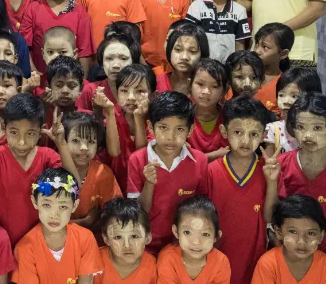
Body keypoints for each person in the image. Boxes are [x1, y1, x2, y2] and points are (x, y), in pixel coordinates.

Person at [268, 93, 326, 260]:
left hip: (325, 254)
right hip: (283, 252)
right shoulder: (280, 166)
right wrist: (280, 249)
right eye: (301, 127)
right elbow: (272, 214)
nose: (308, 135)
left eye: (317, 128)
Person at [0, 93, 76, 247]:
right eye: (14, 133)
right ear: (4, 128)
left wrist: (62, 143)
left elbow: (74, 188)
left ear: (41, 131)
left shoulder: (48, 157)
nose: (22, 142)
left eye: (30, 134)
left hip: (39, 242)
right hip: (1, 240)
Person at [208, 97, 278, 284]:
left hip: (251, 263)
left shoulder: (266, 171)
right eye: (238, 132)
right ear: (224, 131)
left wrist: (272, 182)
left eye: (254, 134)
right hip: (217, 263)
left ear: (262, 136)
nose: (246, 141)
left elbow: (269, 216)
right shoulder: (212, 171)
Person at [127, 91, 209, 254]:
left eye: (179, 129)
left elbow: (201, 209)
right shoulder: (137, 160)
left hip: (183, 246)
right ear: (150, 127)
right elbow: (137, 212)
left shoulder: (199, 160)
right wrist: (149, 184)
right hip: (145, 245)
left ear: (190, 130)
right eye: (163, 128)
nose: (171, 137)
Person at [21, 0, 94, 74]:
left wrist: (82, 82)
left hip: (70, 80)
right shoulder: (33, 9)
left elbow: (84, 52)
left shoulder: (80, 13)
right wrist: (35, 73)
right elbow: (25, 47)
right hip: (39, 78)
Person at [98, 63, 155, 194]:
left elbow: (142, 156)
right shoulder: (112, 118)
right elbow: (114, 152)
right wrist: (110, 112)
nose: (131, 97)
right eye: (124, 90)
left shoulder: (156, 122)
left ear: (152, 95)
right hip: (116, 189)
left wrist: (139, 118)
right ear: (116, 94)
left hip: (146, 188)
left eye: (140, 91)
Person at [263, 68, 326, 155]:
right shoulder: (273, 130)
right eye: (281, 95)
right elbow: (268, 164)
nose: (286, 101)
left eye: (295, 96)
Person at [61, 111, 121, 229]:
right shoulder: (53, 170)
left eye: (91, 142)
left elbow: (114, 215)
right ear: (63, 141)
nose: (84, 148)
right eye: (76, 141)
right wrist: (86, 222)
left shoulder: (103, 173)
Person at [188, 58, 230, 159]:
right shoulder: (180, 117)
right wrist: (213, 156)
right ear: (189, 85)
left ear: (225, 91)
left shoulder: (230, 118)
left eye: (215, 86)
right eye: (200, 84)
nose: (206, 91)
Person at [157, 20, 209, 94]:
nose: (184, 57)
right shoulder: (156, 83)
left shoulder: (207, 88)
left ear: (202, 55)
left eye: (192, 51)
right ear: (170, 50)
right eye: (178, 50)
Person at [253, 23, 294, 112]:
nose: (257, 51)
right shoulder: (242, 77)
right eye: (256, 44)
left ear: (283, 54)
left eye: (265, 47)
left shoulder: (287, 85)